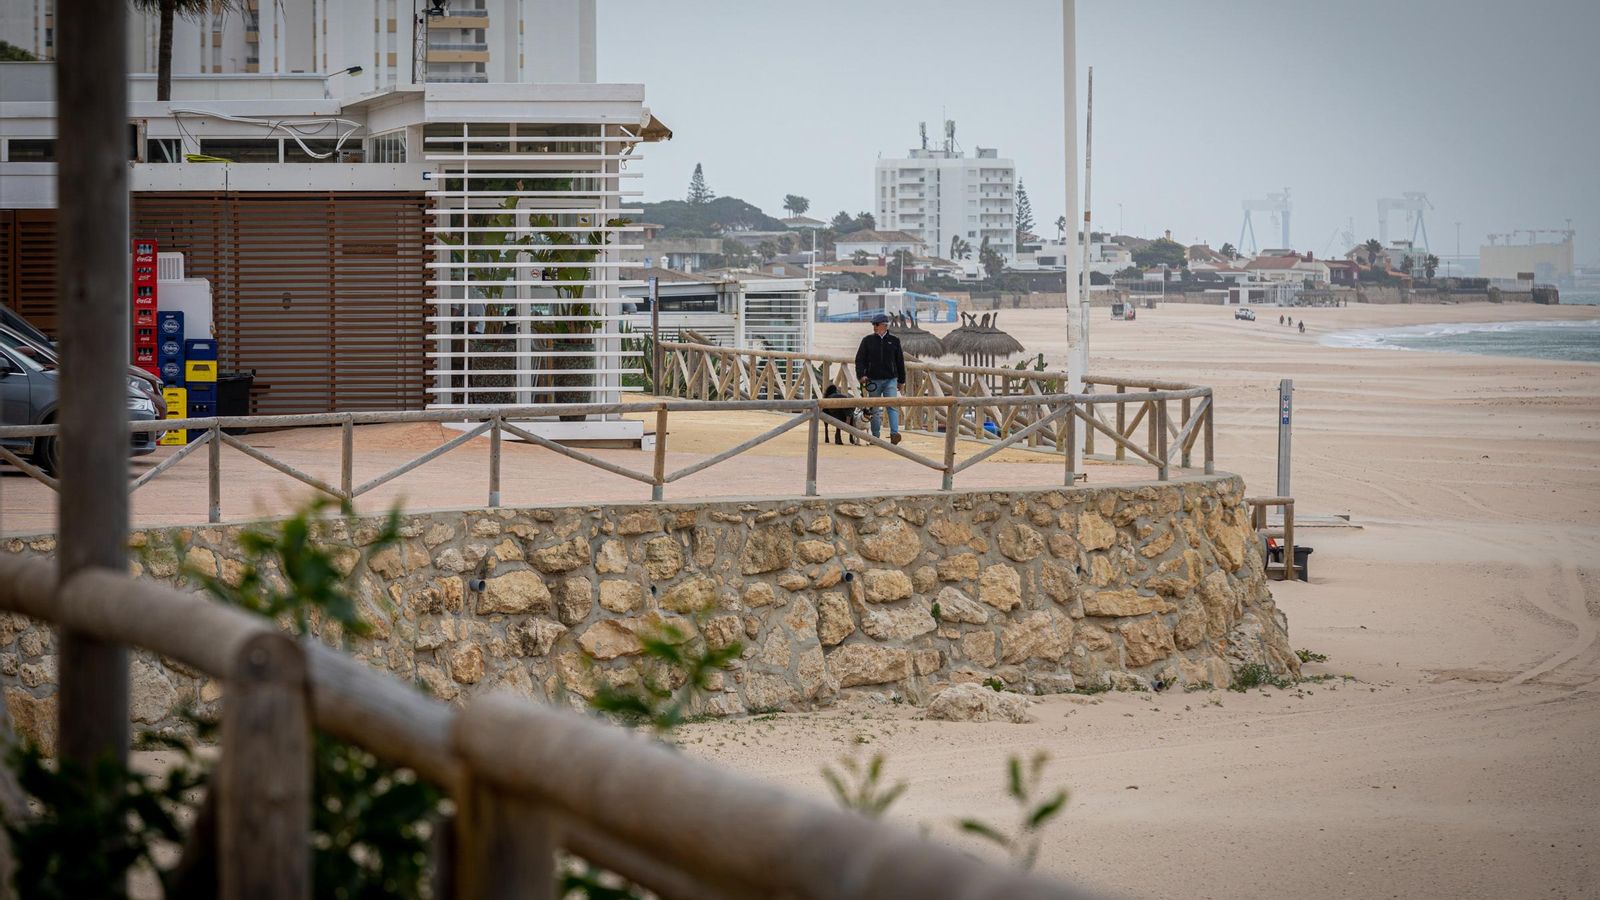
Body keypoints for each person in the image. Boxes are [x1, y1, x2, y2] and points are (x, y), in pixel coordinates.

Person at [854, 314, 907, 444]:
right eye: (873, 325)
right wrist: (861, 375)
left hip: (891, 379)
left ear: (884, 325)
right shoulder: (867, 340)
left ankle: (894, 434)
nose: (874, 327)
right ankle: (875, 437)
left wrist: (901, 381)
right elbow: (859, 360)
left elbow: (900, 361)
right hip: (873, 380)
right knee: (875, 410)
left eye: (876, 324)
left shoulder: (894, 341)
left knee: (892, 407)